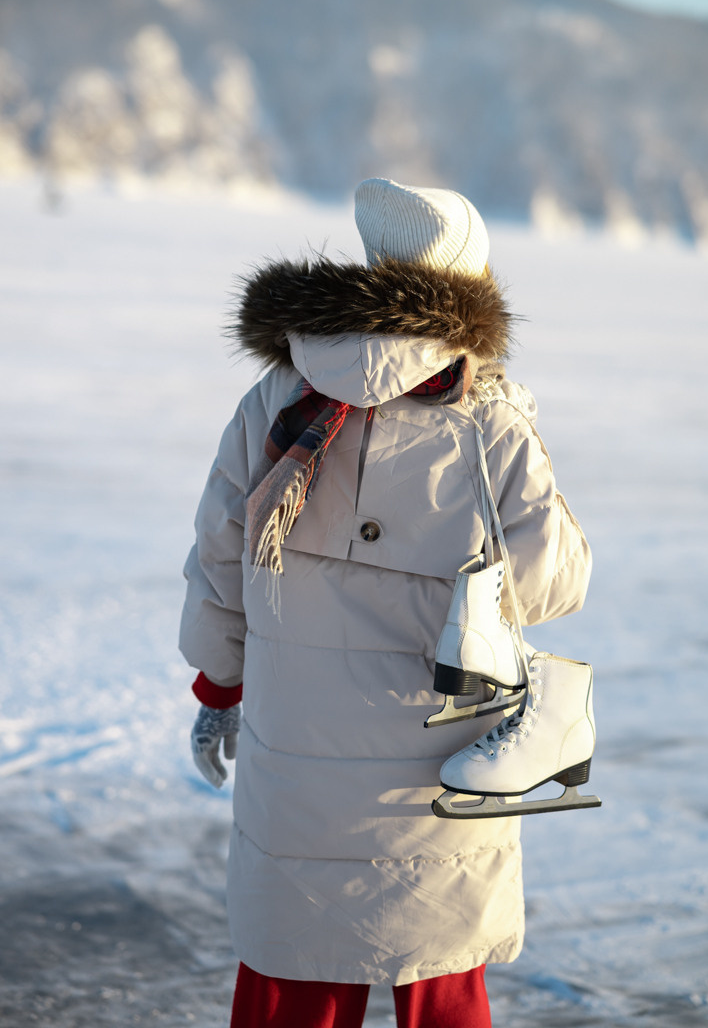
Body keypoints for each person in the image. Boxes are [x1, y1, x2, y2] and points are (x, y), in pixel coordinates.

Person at [179, 177, 592, 1028]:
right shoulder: (485, 417)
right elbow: (553, 583)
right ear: (469, 279)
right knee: (440, 987)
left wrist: (218, 688)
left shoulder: (281, 397)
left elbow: (222, 557)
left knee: (290, 983)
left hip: (297, 767)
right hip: (438, 772)